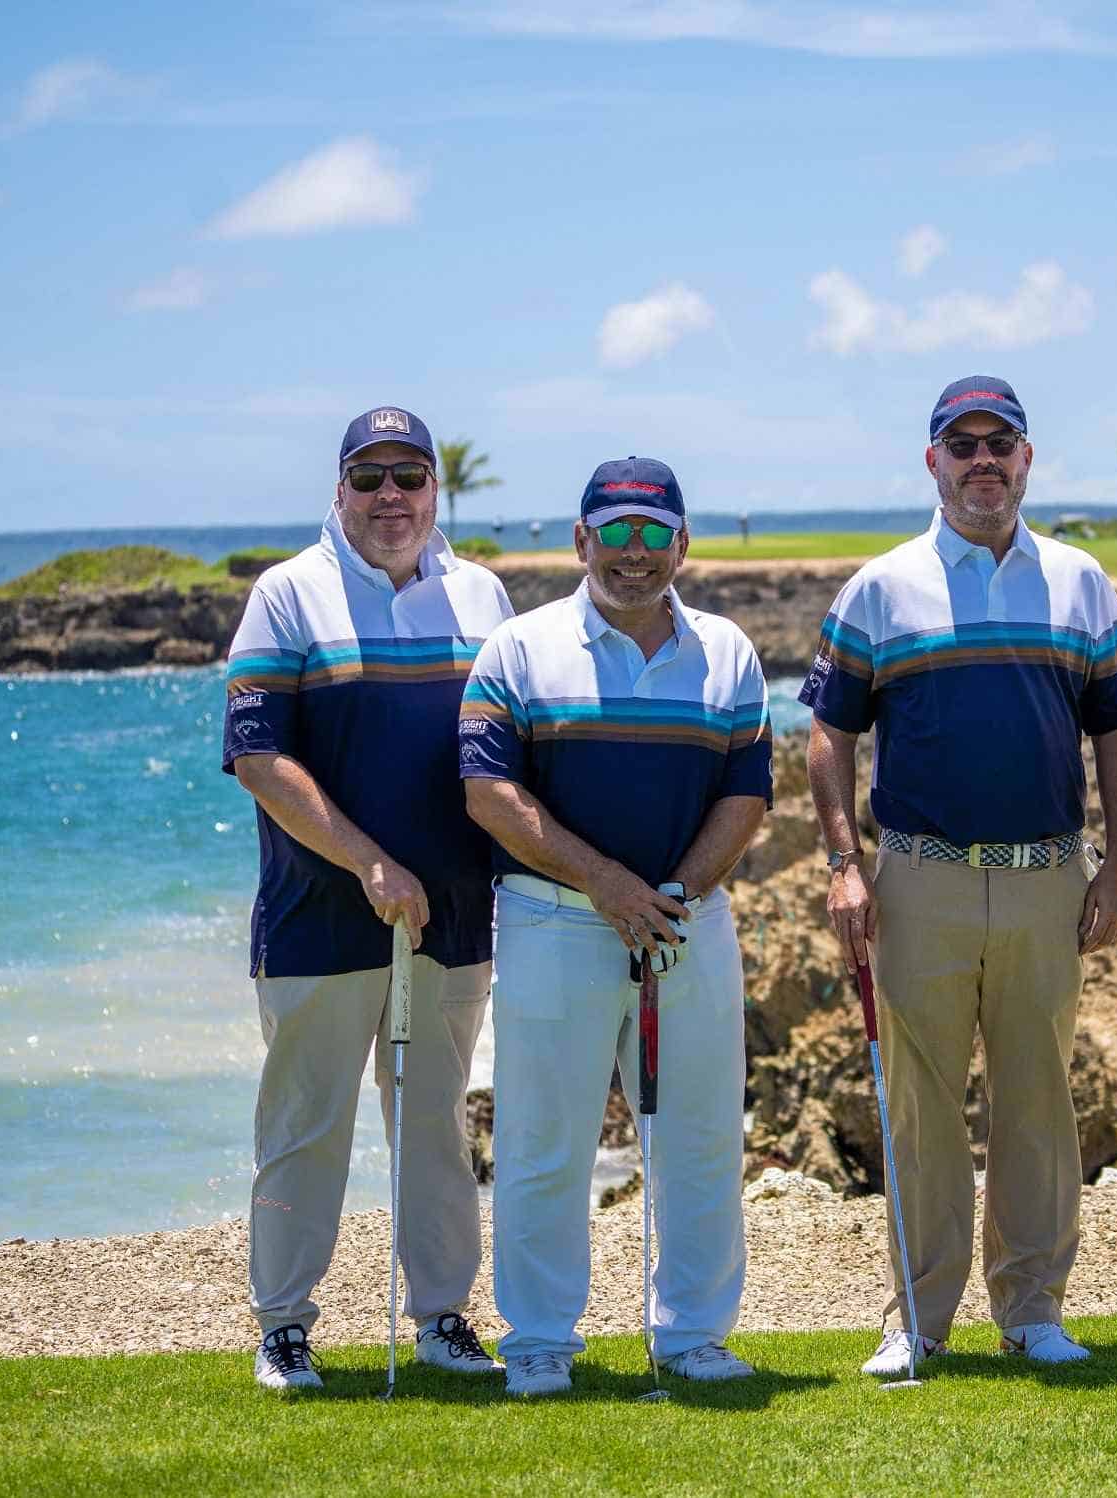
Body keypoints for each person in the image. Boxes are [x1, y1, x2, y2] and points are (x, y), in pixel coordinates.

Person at [802, 376, 1117, 1376]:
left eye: (1002, 444)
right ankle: (918, 1318)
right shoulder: (881, 587)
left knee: (1039, 1100)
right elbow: (827, 738)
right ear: (934, 463)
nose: (983, 461)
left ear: (1027, 459)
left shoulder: (1080, 584)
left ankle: (1032, 1310)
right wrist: (842, 865)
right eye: (964, 445)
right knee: (921, 1108)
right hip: (919, 879)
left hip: (1046, 877)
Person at [460, 456, 771, 1398]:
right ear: (580, 539)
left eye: (653, 534)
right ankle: (541, 1340)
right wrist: (607, 885)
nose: (633, 555)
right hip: (553, 920)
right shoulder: (518, 649)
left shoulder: (727, 652)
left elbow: (745, 795)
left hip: (689, 923)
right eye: (615, 533)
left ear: (681, 542)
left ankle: (692, 1336)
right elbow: (488, 794)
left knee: (701, 1134)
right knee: (544, 1137)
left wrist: (669, 893)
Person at [223, 406, 516, 1390]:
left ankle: (443, 1317)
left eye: (410, 474)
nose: (391, 495)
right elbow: (259, 760)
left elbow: (511, 746)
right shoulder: (287, 596)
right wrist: (368, 863)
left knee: (435, 1127)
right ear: (338, 490)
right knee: (305, 1132)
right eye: (369, 476)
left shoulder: (483, 595)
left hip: (455, 919)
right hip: (320, 916)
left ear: (437, 489)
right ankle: (284, 1329)